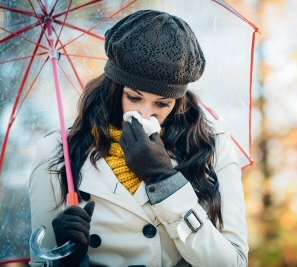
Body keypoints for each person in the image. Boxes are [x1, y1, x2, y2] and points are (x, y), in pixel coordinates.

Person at [29, 9, 248, 267]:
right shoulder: (58, 151)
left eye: (162, 103)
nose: (146, 114)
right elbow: (39, 262)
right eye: (133, 97)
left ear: (177, 101)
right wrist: (66, 260)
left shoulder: (211, 145)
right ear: (114, 88)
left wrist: (165, 181)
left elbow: (233, 262)